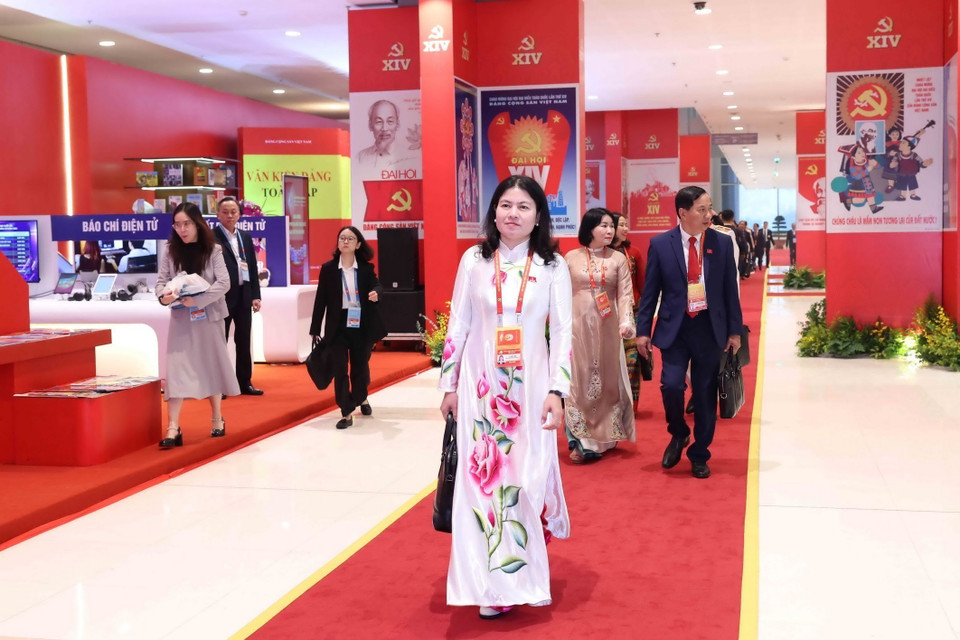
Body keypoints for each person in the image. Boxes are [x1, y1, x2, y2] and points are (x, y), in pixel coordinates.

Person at [438, 174, 572, 620]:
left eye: (524, 206)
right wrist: (450, 385)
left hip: (531, 390)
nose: (513, 214)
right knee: (482, 484)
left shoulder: (552, 266)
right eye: (506, 205)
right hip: (481, 391)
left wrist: (557, 390)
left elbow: (563, 332)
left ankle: (521, 570)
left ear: (538, 217)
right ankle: (489, 585)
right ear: (494, 212)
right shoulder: (474, 260)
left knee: (525, 480)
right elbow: (459, 324)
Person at [636, 186, 743, 479]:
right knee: (671, 385)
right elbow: (650, 292)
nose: (709, 215)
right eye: (702, 209)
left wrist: (735, 331)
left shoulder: (722, 242)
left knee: (705, 392)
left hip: (709, 327)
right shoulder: (661, 244)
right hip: (676, 327)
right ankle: (679, 432)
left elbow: (730, 290)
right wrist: (643, 330)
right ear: (683, 213)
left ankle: (700, 453)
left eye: (710, 208)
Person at [156, 202, 240, 449]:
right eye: (177, 225)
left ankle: (217, 417)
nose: (182, 229)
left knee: (211, 364)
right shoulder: (170, 251)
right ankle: (173, 427)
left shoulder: (213, 250)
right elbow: (160, 282)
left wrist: (199, 300)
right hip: (181, 318)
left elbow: (224, 283)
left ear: (197, 224)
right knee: (176, 368)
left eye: (187, 224)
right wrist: (164, 296)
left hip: (209, 316)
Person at [564, 208, 635, 462]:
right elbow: (560, 295)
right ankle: (581, 440)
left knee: (605, 379)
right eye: (603, 226)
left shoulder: (618, 259)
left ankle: (605, 437)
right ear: (589, 228)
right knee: (578, 380)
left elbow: (625, 295)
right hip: (576, 327)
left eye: (611, 226)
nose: (609, 230)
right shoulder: (570, 258)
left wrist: (626, 322)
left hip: (608, 327)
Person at [309, 226, 386, 429]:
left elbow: (378, 286)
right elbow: (321, 299)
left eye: (350, 238)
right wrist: (315, 328)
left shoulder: (366, 268)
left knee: (360, 367)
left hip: (361, 323)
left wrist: (376, 293)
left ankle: (361, 397)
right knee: (340, 368)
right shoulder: (328, 269)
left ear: (358, 244)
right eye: (342, 238)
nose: (345, 241)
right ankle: (346, 411)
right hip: (337, 325)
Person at [213, 196, 263, 396]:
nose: (230, 215)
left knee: (243, 341)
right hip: (222, 298)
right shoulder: (211, 237)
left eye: (233, 212)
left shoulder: (245, 237)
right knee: (220, 342)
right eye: (225, 212)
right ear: (218, 214)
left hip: (244, 296)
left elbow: (252, 268)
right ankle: (220, 385)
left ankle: (244, 382)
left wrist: (255, 295)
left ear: (239, 214)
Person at [609, 212, 645, 412]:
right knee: (610, 361)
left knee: (632, 360)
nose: (626, 229)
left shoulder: (634, 253)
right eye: (621, 225)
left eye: (626, 224)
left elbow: (642, 285)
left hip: (632, 312)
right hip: (607, 315)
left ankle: (630, 406)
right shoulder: (599, 254)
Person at [356, 100, 402, 171]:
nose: (384, 128)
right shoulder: (360, 157)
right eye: (379, 122)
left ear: (397, 124)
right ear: (370, 125)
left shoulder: (410, 155)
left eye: (390, 121)